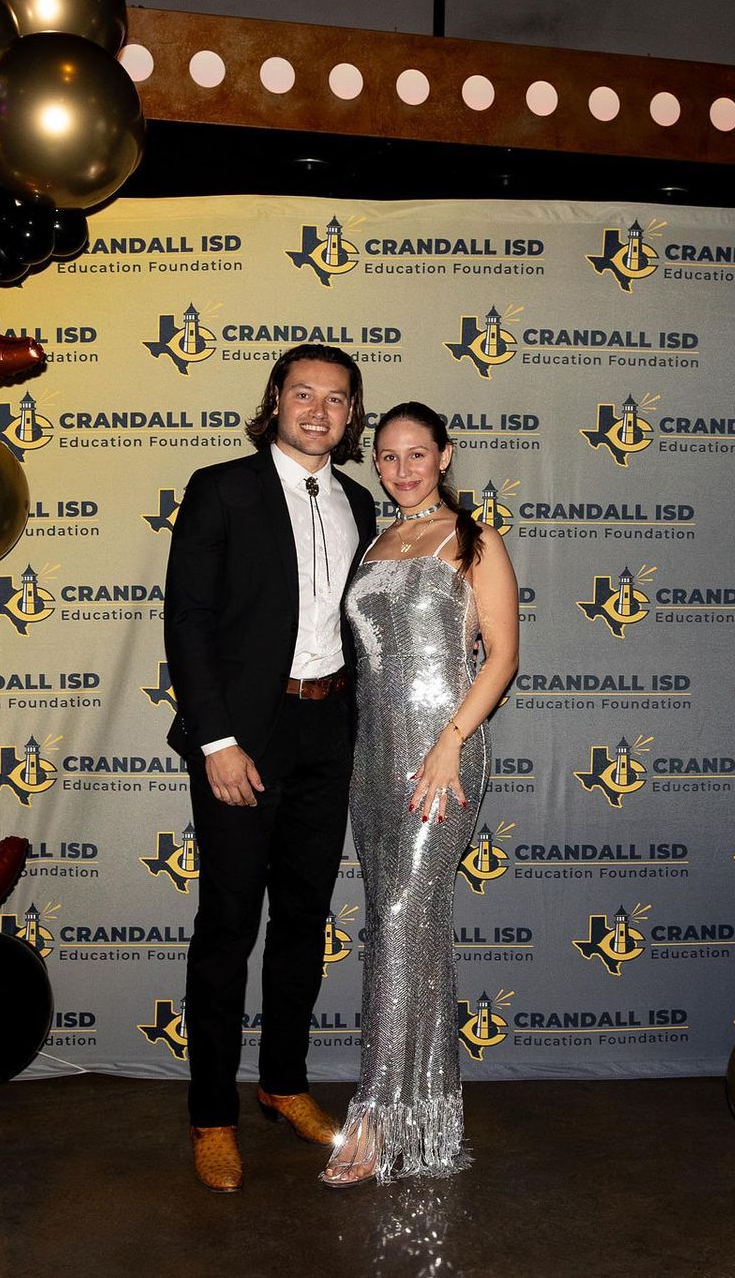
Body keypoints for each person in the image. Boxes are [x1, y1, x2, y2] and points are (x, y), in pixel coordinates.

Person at [164, 344, 380, 1193]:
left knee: (303, 922)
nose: (319, 410)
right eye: (304, 394)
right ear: (276, 401)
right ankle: (211, 1117)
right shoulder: (223, 488)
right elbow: (188, 619)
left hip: (328, 731)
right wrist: (216, 741)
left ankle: (284, 1085)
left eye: (337, 398)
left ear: (352, 414)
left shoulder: (360, 502)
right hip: (243, 739)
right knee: (227, 927)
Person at [320, 401, 520, 1187]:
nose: (402, 469)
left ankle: (375, 1119)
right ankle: (427, 1121)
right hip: (372, 760)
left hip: (445, 754)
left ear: (445, 455)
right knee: (404, 928)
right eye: (388, 458)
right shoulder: (374, 544)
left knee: (403, 917)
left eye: (416, 454)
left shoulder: (475, 541)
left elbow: (501, 656)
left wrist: (450, 742)